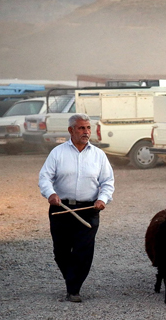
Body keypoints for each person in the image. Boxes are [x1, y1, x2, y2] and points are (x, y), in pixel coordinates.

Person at [38, 113, 115, 302]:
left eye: (88, 128)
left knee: (83, 251)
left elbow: (107, 182)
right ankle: (72, 280)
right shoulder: (57, 153)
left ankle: (73, 289)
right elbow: (44, 177)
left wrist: (102, 199)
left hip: (89, 210)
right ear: (70, 130)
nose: (86, 132)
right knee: (61, 251)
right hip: (61, 208)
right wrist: (51, 194)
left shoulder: (99, 155)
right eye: (81, 128)